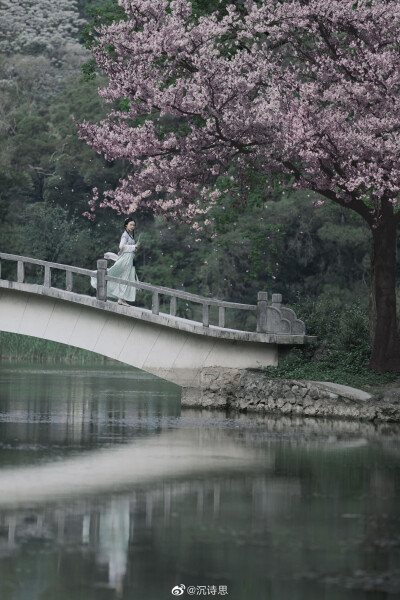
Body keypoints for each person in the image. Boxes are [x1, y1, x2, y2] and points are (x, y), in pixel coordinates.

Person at [92, 217, 140, 305]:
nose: (133, 226)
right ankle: (121, 298)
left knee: (126, 276)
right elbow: (121, 246)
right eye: (131, 224)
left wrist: (135, 247)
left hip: (129, 258)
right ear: (126, 225)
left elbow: (127, 248)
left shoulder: (130, 235)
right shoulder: (125, 235)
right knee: (124, 276)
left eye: (134, 225)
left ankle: (122, 298)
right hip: (126, 258)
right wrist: (134, 247)